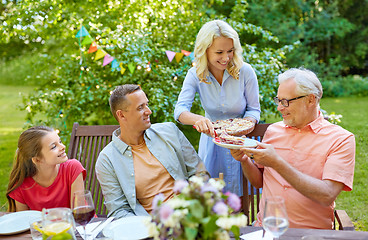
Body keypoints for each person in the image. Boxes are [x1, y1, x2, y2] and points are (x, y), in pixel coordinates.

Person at [231, 68, 355, 229]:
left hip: (311, 234)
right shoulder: (274, 131)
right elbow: (258, 182)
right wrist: (244, 160)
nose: (279, 108)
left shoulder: (340, 139)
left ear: (311, 100)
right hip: (265, 229)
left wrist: (277, 163)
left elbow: (327, 195)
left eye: (286, 101)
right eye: (279, 100)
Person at [174, 19, 261, 196]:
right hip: (212, 144)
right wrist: (199, 120)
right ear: (204, 51)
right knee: (213, 199)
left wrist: (247, 123)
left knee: (243, 197)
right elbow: (180, 110)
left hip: (242, 143)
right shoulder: (195, 74)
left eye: (230, 51)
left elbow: (254, 109)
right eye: (219, 52)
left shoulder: (246, 72)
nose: (226, 57)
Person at [95, 84, 207, 219]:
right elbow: (119, 210)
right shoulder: (107, 160)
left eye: (146, 105)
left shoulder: (170, 132)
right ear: (121, 115)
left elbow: (199, 174)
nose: (149, 111)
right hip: (150, 228)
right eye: (140, 108)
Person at [6, 126, 86, 212]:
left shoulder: (72, 168)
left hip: (81, 224)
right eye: (54, 147)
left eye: (60, 141)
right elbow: (23, 220)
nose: (63, 147)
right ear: (37, 159)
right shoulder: (21, 185)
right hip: (46, 225)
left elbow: (79, 215)